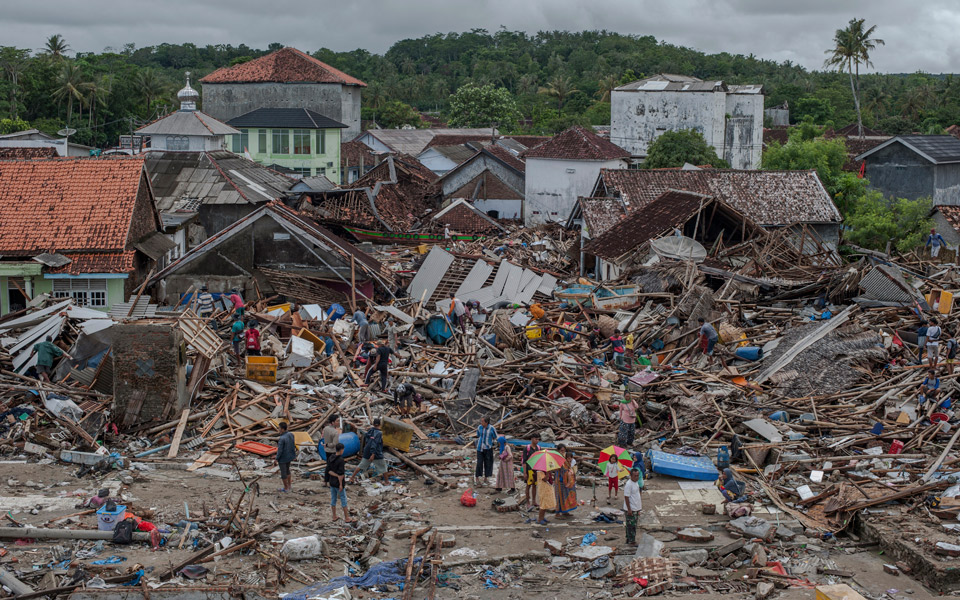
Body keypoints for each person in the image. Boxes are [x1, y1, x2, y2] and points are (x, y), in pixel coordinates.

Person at [350, 418, 388, 484]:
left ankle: (352, 477)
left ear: (373, 424)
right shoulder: (379, 433)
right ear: (380, 424)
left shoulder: (370, 430)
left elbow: (367, 439)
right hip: (376, 453)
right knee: (383, 467)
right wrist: (373, 454)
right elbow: (374, 443)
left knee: (361, 465)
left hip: (367, 452)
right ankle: (387, 482)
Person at [326, 442, 350, 522]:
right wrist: (340, 484)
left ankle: (334, 516)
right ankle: (347, 517)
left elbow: (328, 471)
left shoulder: (331, 458)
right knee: (343, 499)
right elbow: (341, 474)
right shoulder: (340, 460)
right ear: (341, 450)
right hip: (338, 483)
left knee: (333, 499)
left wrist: (334, 475)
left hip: (331, 482)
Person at [554, 446, 578, 517]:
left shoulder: (565, 460)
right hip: (559, 480)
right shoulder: (557, 460)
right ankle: (557, 513)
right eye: (561, 451)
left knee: (565, 496)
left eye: (564, 451)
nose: (563, 452)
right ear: (558, 451)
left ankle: (565, 511)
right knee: (559, 497)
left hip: (566, 481)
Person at [623, 468, 643, 545]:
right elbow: (626, 497)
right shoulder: (629, 484)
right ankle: (632, 541)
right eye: (635, 476)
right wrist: (629, 510)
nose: (636, 477)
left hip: (636, 507)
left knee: (632, 525)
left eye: (637, 476)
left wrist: (639, 509)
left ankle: (629, 539)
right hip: (631, 508)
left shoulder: (636, 483)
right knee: (631, 526)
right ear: (631, 476)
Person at [475, 415, 497, 487]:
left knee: (488, 463)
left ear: (486, 422)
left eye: (482, 421)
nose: (481, 422)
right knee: (479, 463)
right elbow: (478, 435)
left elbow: (495, 437)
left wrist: (489, 442)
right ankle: (477, 478)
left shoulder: (492, 428)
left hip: (488, 448)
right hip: (480, 448)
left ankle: (486, 478)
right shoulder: (479, 427)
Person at [522, 434, 541, 508]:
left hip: (536, 469)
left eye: (538, 439)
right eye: (536, 439)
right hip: (529, 469)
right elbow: (524, 461)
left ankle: (534, 501)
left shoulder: (538, 448)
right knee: (528, 485)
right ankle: (528, 502)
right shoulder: (527, 448)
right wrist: (524, 473)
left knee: (534, 485)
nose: (537, 441)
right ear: (532, 439)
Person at [276, 422, 296, 493]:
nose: (278, 430)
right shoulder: (291, 434)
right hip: (289, 456)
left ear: (282, 429)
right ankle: (289, 485)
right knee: (288, 470)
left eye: (279, 428)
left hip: (283, 458)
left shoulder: (282, 438)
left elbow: (280, 450)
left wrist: (276, 458)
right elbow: (293, 444)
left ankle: (286, 487)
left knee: (283, 473)